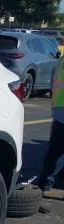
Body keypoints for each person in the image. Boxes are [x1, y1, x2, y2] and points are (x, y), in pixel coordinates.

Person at [37, 51, 64, 196]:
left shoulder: (61, 60)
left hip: (60, 111)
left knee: (54, 152)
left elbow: (53, 83)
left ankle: (44, 185)